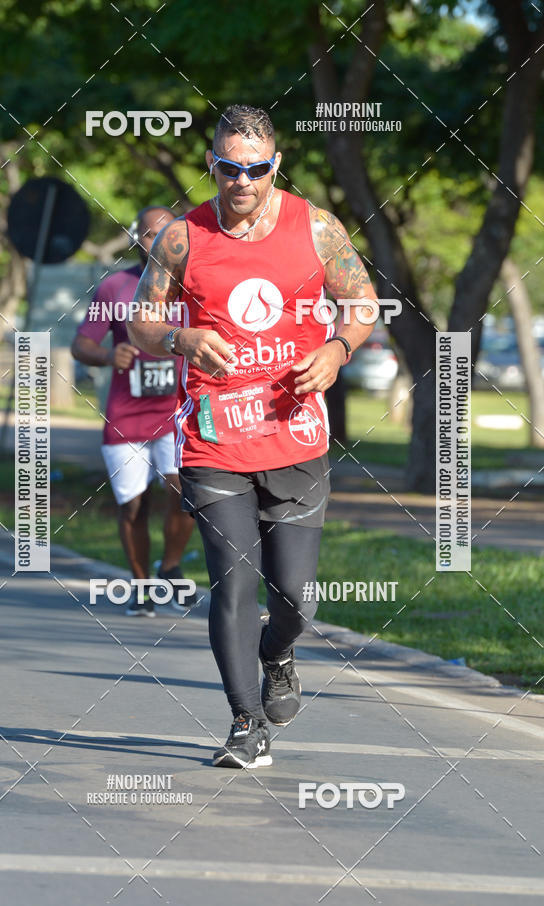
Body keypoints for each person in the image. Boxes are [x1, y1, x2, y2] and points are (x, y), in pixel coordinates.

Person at [128, 105, 377, 766]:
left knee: (294, 595)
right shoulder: (180, 238)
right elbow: (140, 322)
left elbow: (362, 302)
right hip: (213, 439)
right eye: (229, 168)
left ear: (276, 165)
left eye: (256, 169)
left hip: (295, 435)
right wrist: (181, 338)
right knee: (234, 581)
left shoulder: (316, 227)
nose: (242, 181)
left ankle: (279, 651)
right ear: (211, 164)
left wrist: (339, 349)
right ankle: (245, 722)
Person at [71, 206, 194, 618]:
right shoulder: (114, 288)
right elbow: (81, 344)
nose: (156, 241)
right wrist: (109, 356)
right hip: (126, 418)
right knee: (134, 505)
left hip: (177, 413)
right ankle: (141, 586)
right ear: (134, 238)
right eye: (147, 234)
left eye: (165, 232)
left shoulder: (193, 284)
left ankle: (171, 566)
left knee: (185, 494)